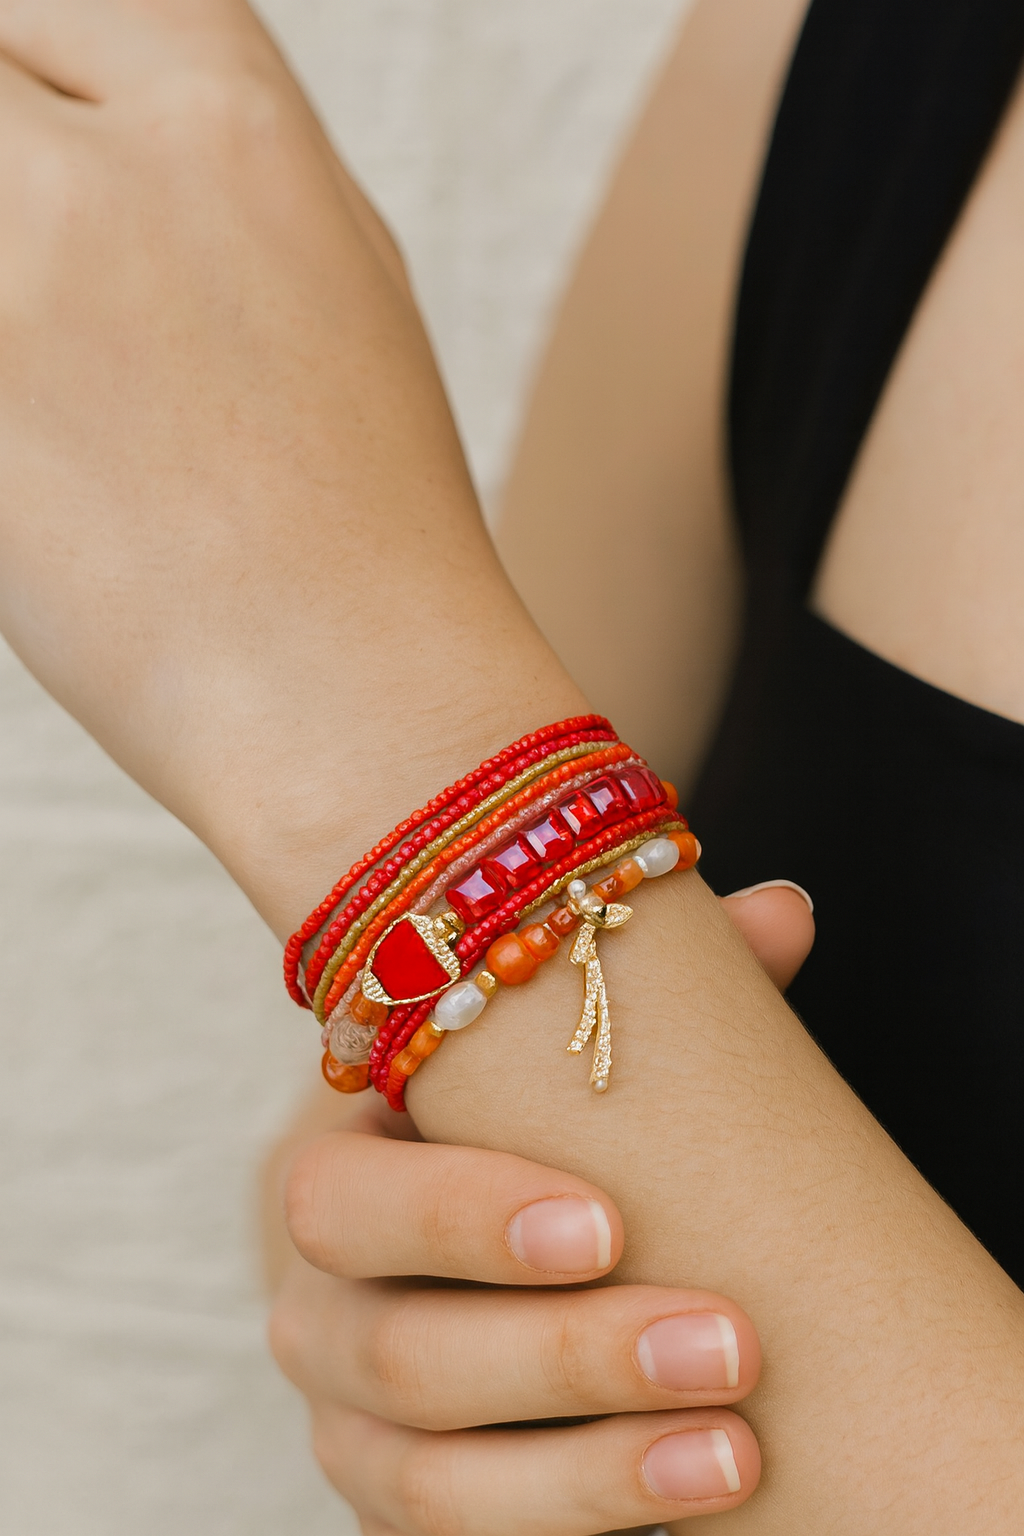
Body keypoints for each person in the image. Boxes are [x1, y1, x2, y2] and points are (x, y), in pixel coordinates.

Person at [0, 2, 1022, 1534]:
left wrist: (342, 692)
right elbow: (425, 1074)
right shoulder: (840, 58)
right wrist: (406, 1327)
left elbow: (452, 841)